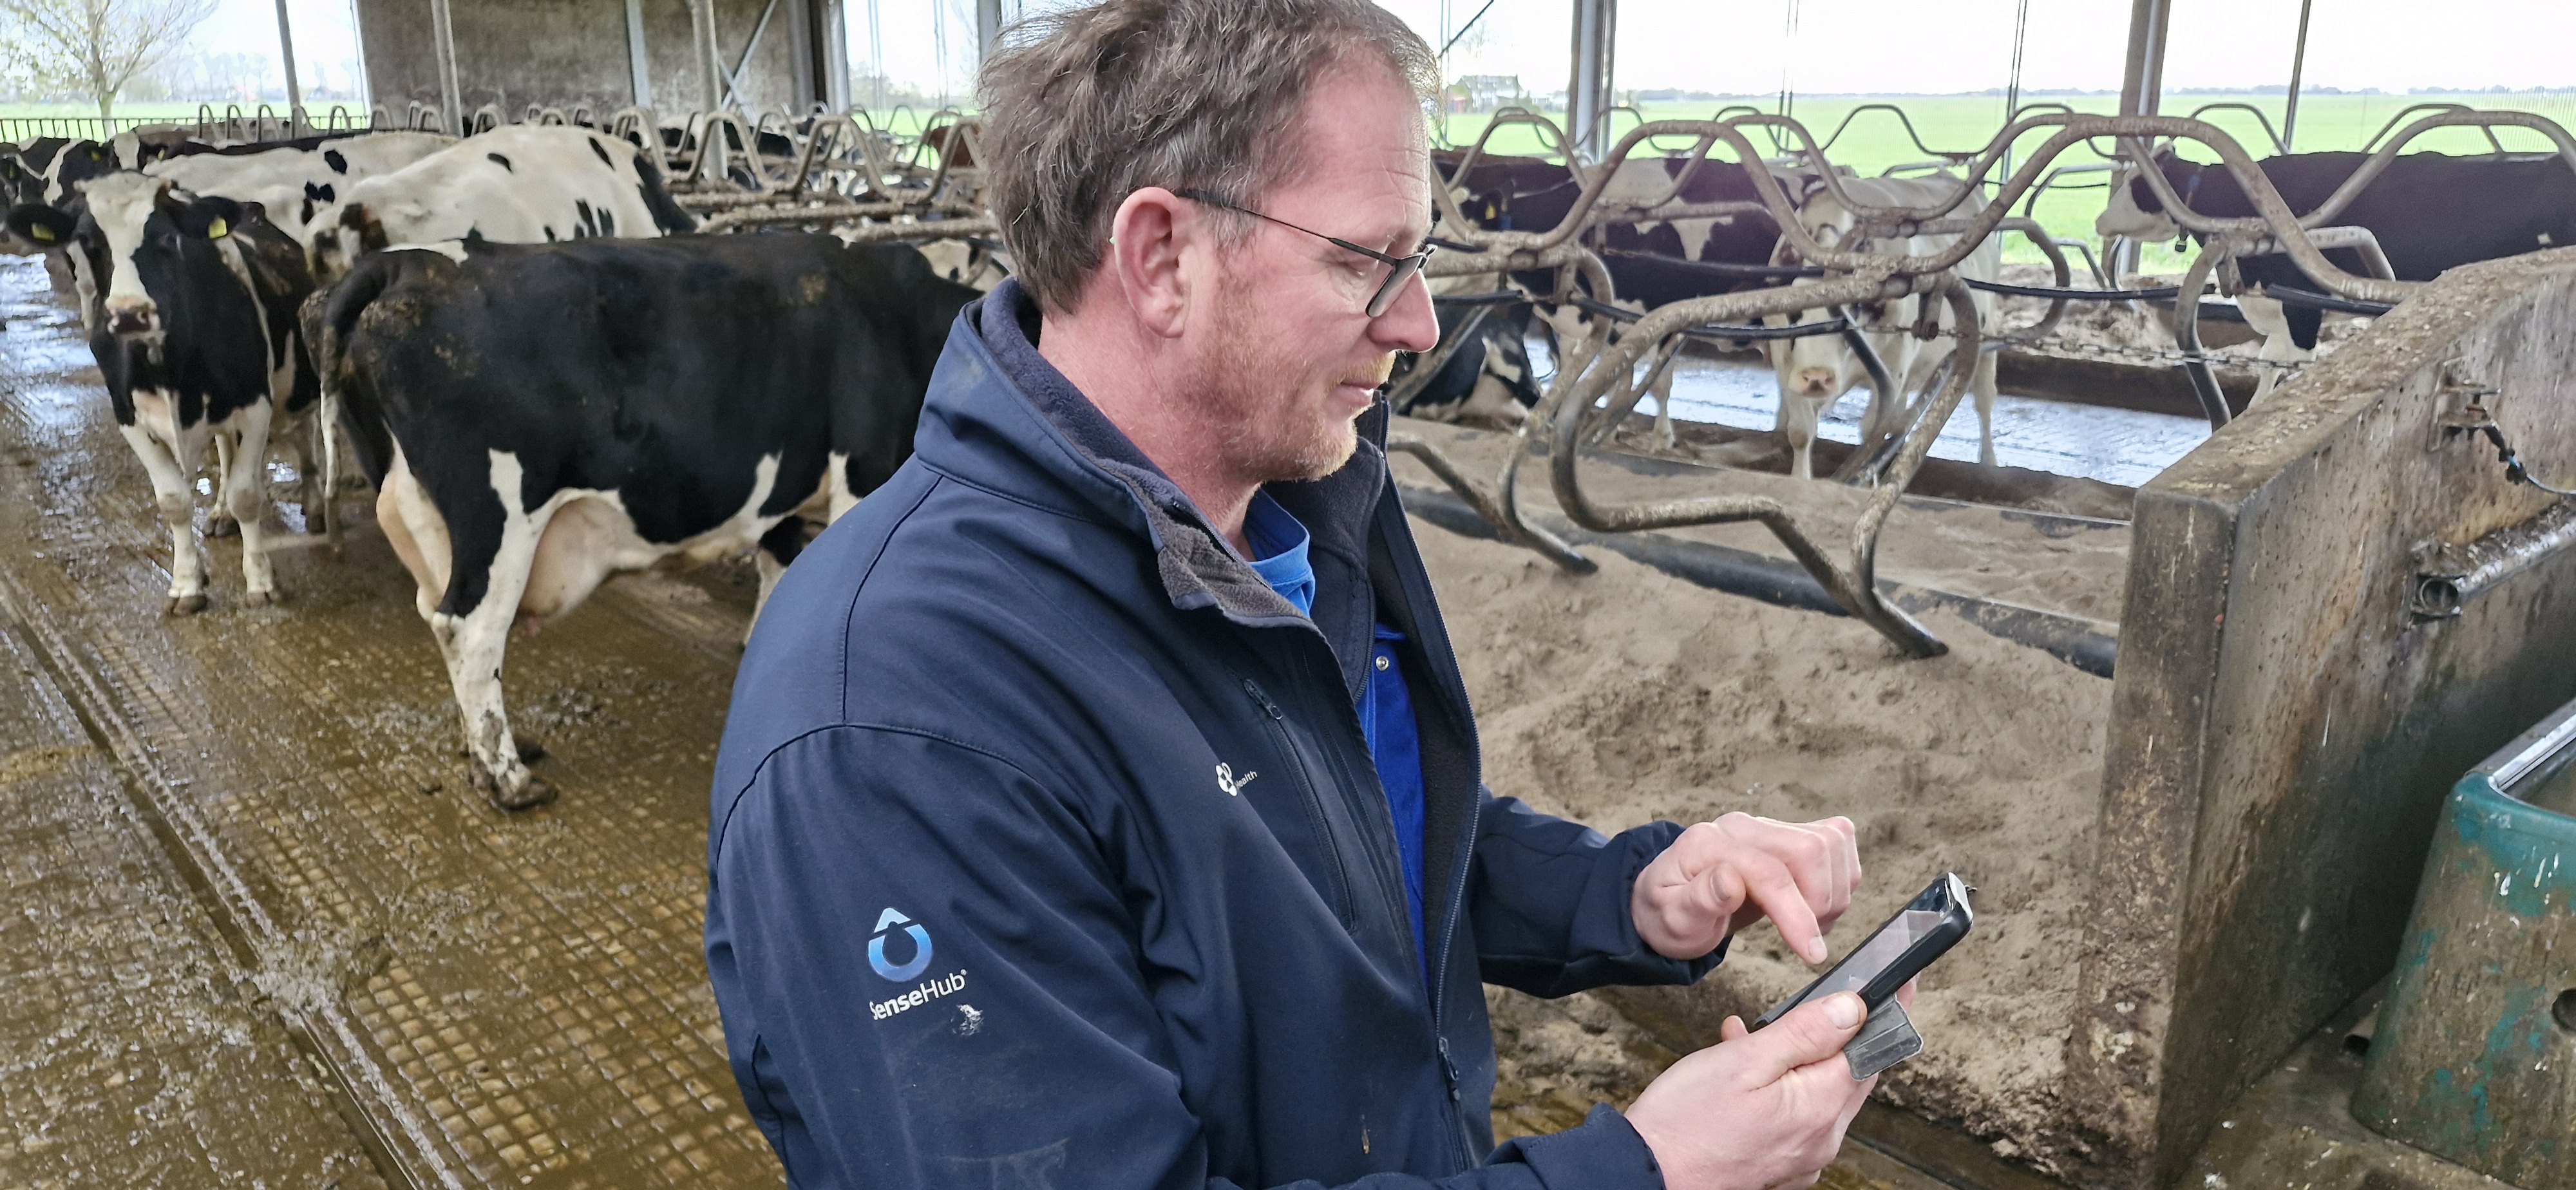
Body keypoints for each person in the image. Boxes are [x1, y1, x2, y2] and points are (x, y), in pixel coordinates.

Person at [703, 1, 1898, 1186]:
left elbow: (1352, 839)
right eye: (1368, 260)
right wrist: (1644, 1175)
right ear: (1162, 259)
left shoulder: (1287, 520)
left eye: (1418, 259)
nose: (1421, 322)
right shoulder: (895, 727)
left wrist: (1627, 893)